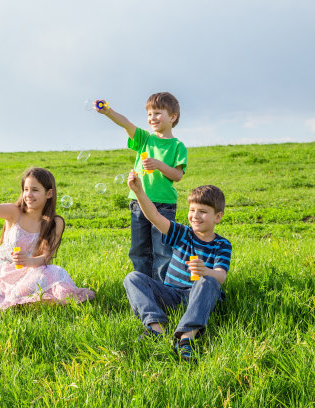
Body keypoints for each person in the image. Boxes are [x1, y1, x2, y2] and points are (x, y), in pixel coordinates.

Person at [0, 162, 95, 311]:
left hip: (30, 270)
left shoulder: (55, 222)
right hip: (5, 273)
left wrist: (29, 261)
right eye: (26, 189)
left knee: (56, 271)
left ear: (49, 193)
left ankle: (23, 302)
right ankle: (15, 302)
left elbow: (46, 258)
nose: (28, 194)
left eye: (35, 190)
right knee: (45, 280)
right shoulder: (14, 213)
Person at [124, 172, 232, 362]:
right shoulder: (182, 233)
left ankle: (186, 339)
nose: (195, 216)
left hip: (197, 297)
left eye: (203, 212)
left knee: (209, 282)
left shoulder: (222, 245)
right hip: (171, 294)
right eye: (192, 210)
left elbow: (221, 276)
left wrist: (206, 272)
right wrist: (139, 192)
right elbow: (155, 217)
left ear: (218, 217)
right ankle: (156, 326)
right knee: (133, 278)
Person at [96, 92, 187, 283]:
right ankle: (143, 287)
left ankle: (163, 290)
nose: (152, 118)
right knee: (139, 250)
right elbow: (126, 123)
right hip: (138, 203)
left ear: (172, 117)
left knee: (163, 251)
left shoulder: (177, 146)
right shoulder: (145, 139)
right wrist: (108, 111)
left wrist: (159, 165)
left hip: (164, 205)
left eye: (157, 113)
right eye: (149, 114)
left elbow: (178, 175)